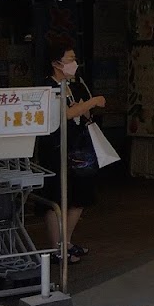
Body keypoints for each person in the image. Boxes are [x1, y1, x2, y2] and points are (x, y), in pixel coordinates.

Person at [42, 41, 106, 265]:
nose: (74, 63)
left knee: (79, 196)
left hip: (78, 148)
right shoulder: (47, 88)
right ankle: (56, 247)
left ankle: (66, 242)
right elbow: (65, 114)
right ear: (56, 63)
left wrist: (86, 108)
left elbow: (80, 113)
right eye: (70, 59)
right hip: (55, 150)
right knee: (56, 197)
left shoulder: (75, 86)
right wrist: (92, 102)